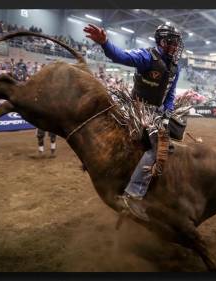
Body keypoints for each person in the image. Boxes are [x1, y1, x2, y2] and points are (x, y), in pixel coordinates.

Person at [84, 23, 183, 220]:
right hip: (136, 107)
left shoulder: (175, 67)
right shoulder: (147, 57)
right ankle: (133, 194)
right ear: (161, 42)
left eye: (176, 44)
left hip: (156, 112)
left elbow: (170, 94)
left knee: (172, 142)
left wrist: (166, 113)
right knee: (158, 148)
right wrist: (105, 43)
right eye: (171, 43)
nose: (175, 47)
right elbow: (122, 57)